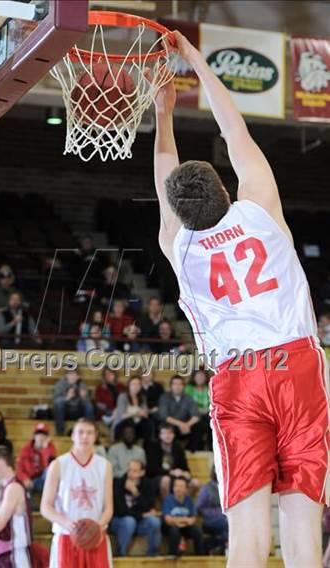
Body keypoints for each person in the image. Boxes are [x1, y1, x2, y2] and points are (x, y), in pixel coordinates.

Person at [154, 30, 329, 566]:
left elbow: (165, 174)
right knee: (302, 527)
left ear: (178, 212)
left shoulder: (177, 244)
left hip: (238, 378)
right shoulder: (260, 207)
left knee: (247, 537)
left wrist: (161, 115)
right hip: (297, 363)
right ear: (227, 191)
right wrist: (194, 65)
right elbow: (235, 130)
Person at [40, 418, 113, 568]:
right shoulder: (58, 464)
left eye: (89, 433)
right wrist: (67, 524)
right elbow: (45, 507)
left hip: (96, 538)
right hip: (67, 537)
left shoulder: (105, 466)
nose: (85, 436)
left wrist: (96, 528)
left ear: (95, 436)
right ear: (72, 436)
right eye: (80, 432)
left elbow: (109, 508)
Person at [110, 460, 161, 556]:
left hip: (139, 522)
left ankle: (152, 556)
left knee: (154, 521)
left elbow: (149, 507)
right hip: (120, 522)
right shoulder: (118, 483)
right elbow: (120, 511)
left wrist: (136, 493)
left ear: (142, 472)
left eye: (134, 471)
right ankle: (121, 554)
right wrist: (142, 515)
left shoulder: (148, 484)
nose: (130, 474)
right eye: (129, 470)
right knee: (129, 521)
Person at [145, 422, 191, 498]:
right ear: (160, 435)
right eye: (165, 433)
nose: (167, 436)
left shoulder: (177, 447)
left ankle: (183, 505)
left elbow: (184, 465)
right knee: (166, 480)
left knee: (194, 483)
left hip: (175, 477)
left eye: (170, 433)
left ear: (173, 435)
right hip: (157, 478)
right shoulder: (153, 447)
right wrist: (170, 472)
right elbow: (151, 469)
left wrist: (186, 472)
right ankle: (167, 505)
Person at [162, 477, 204, 556]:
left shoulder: (189, 500)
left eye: (181, 486)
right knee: (174, 530)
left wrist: (179, 521)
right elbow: (168, 519)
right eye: (176, 486)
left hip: (185, 526)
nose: (178, 489)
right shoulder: (168, 499)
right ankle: (172, 555)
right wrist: (183, 520)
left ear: (186, 489)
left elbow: (193, 519)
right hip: (171, 527)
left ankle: (200, 557)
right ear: (173, 488)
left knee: (198, 531)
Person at [158, 375, 200, 450]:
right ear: (171, 386)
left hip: (185, 424)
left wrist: (187, 425)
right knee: (165, 426)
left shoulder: (188, 398)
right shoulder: (164, 397)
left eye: (180, 384)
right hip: (171, 424)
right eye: (175, 384)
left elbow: (196, 416)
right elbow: (164, 416)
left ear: (183, 386)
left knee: (198, 426)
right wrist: (181, 425)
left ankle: (193, 450)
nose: (177, 386)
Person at [16, 423, 57, 495]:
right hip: (29, 478)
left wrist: (45, 449)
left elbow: (50, 467)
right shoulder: (26, 449)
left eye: (44, 435)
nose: (40, 437)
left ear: (47, 437)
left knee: (50, 470)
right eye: (38, 434)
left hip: (43, 479)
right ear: (34, 436)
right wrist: (24, 478)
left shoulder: (50, 448)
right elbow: (19, 468)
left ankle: (31, 489)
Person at [196, 467, 228, 554]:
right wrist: (214, 513)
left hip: (225, 517)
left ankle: (220, 546)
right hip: (209, 520)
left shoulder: (226, 487)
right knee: (227, 522)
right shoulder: (206, 488)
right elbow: (199, 507)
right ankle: (224, 546)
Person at [111, 375, 153, 441]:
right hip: (122, 423)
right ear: (129, 385)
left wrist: (135, 413)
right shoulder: (123, 396)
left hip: (137, 422)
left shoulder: (142, 397)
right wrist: (136, 413)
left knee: (149, 423)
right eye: (134, 384)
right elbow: (122, 416)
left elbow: (146, 414)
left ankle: (147, 446)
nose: (136, 387)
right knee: (130, 422)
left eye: (139, 384)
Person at [53, 370, 94, 435]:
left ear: (78, 376)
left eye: (75, 374)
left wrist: (83, 398)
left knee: (88, 405)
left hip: (78, 412)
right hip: (65, 412)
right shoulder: (60, 385)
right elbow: (55, 401)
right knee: (58, 403)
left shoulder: (82, 385)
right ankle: (60, 432)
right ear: (66, 375)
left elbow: (88, 404)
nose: (72, 376)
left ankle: (90, 431)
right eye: (70, 374)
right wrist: (67, 398)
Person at [184, 369, 212, 451]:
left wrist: (206, 410)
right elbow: (187, 404)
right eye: (198, 376)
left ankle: (210, 447)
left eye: (202, 376)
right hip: (192, 414)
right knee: (198, 423)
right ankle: (196, 447)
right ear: (194, 377)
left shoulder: (209, 388)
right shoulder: (188, 388)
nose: (200, 378)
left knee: (210, 422)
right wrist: (198, 411)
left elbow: (212, 403)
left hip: (207, 413)